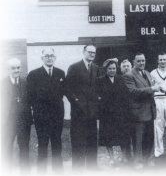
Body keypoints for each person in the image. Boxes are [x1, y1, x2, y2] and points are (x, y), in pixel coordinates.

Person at [27, 48, 65, 174]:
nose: (49, 58)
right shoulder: (34, 74)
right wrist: (39, 110)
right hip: (41, 117)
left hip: (57, 116)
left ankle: (58, 171)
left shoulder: (60, 73)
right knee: (42, 144)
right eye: (47, 56)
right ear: (42, 58)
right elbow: (30, 96)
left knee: (57, 143)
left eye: (52, 55)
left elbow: (62, 93)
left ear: (55, 57)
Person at [65, 44, 102, 172]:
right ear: (83, 52)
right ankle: (78, 169)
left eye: (94, 52)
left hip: (92, 112)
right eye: (89, 52)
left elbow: (98, 88)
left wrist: (97, 101)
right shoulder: (74, 67)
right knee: (78, 140)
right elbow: (67, 89)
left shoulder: (97, 68)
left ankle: (92, 166)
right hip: (78, 112)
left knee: (92, 139)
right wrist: (76, 102)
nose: (92, 54)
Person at [123, 52, 161, 169]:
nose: (141, 63)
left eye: (143, 60)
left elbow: (155, 86)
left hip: (150, 111)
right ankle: (138, 162)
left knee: (149, 138)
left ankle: (149, 160)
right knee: (138, 140)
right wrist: (151, 89)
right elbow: (133, 92)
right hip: (138, 113)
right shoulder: (129, 75)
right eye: (138, 61)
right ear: (134, 62)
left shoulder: (148, 73)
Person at [98, 58, 132, 167]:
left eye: (114, 68)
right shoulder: (100, 80)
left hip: (119, 113)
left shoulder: (120, 79)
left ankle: (123, 157)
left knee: (122, 136)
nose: (112, 70)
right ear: (106, 70)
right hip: (107, 114)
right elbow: (97, 96)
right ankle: (111, 159)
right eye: (110, 69)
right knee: (108, 137)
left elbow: (126, 95)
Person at [1, 58, 32, 174]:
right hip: (7, 122)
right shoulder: (2, 83)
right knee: (6, 148)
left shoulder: (25, 82)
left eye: (18, 68)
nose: (16, 70)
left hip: (23, 122)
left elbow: (29, 100)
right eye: (13, 68)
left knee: (24, 148)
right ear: (8, 69)